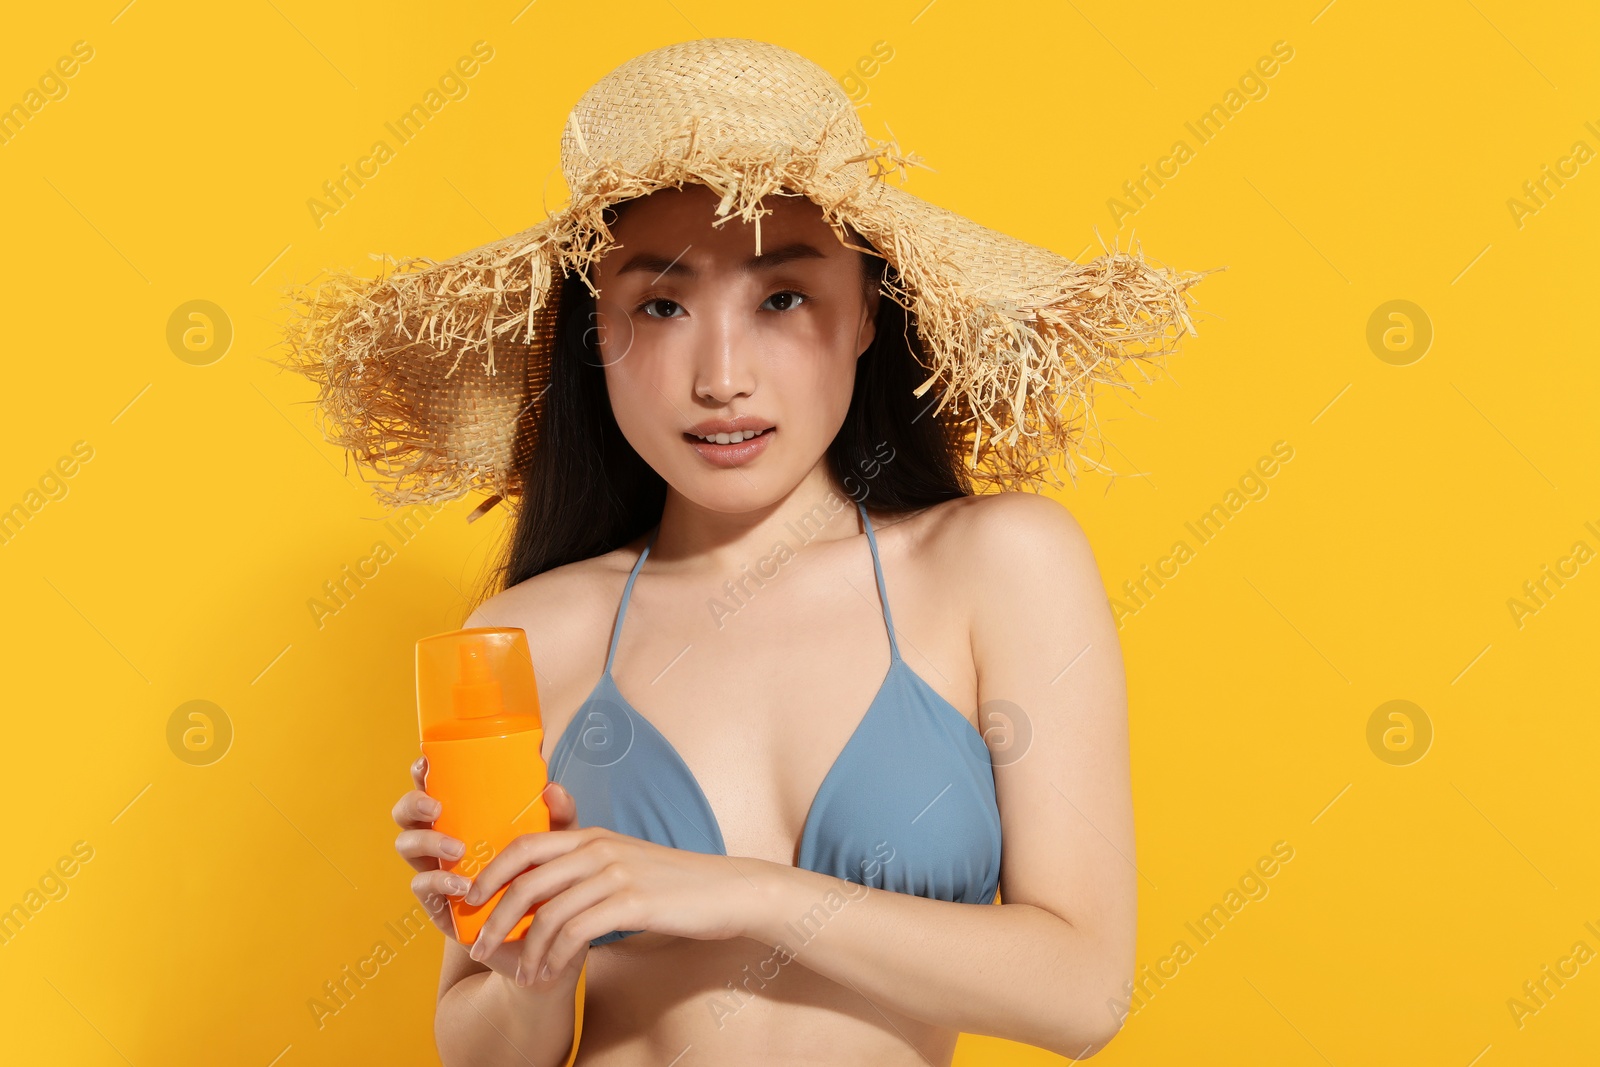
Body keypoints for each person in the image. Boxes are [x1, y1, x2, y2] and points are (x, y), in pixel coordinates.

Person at [285, 37, 1208, 1067]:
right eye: (661, 305)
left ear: (867, 310)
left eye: (781, 298)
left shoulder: (996, 566)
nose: (720, 377)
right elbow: (488, 1051)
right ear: (597, 334)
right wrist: (521, 967)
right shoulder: (535, 629)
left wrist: (743, 894)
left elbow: (1083, 992)